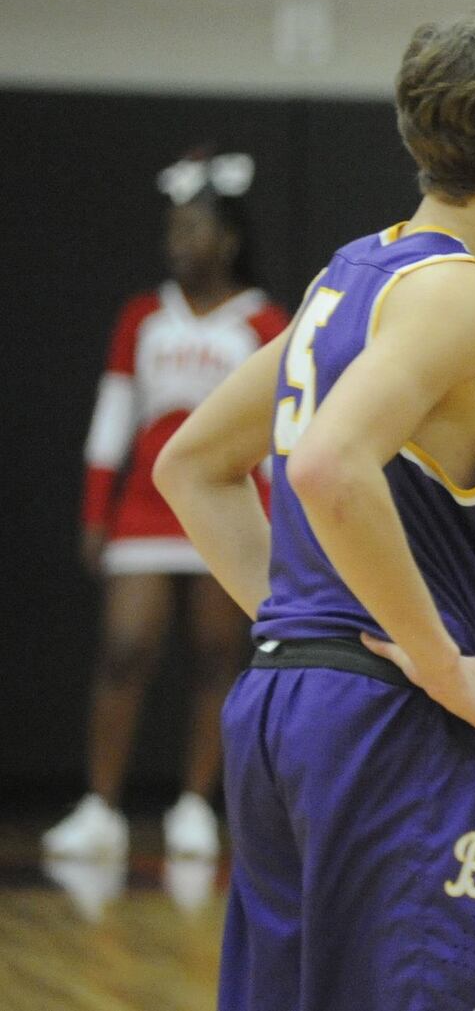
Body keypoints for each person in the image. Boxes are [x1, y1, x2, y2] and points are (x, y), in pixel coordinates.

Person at [154, 13, 475, 1010]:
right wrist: (429, 654)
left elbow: (192, 467)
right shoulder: (461, 296)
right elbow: (328, 465)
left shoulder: (354, 271)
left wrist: (303, 629)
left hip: (284, 706)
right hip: (385, 722)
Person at [45, 167, 288, 861]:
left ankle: (193, 805)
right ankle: (100, 808)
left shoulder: (264, 322)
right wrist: (97, 513)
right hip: (146, 509)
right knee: (124, 648)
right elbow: (112, 418)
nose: (178, 242)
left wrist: (269, 530)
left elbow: (272, 436)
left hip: (227, 505)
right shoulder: (143, 317)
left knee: (217, 656)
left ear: (230, 239)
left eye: (193, 228)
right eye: (173, 230)